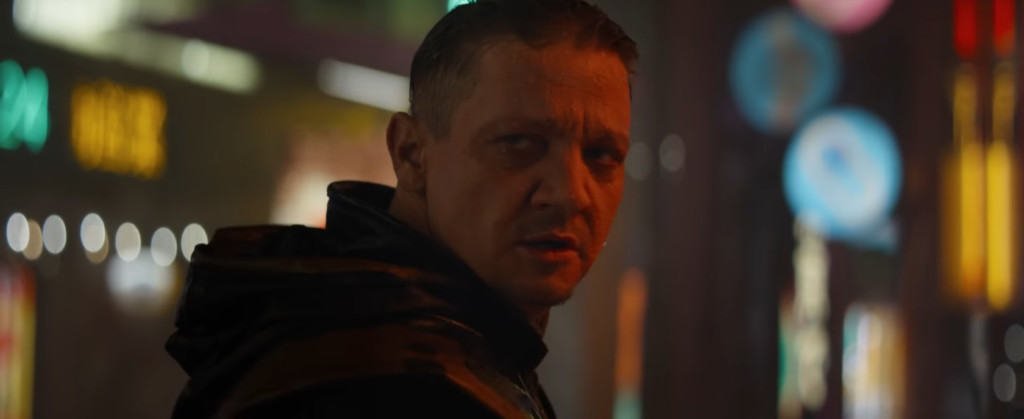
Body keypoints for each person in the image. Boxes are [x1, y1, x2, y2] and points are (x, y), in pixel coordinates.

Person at [166, 0, 637, 417]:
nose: (572, 194)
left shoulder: (349, 336)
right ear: (411, 154)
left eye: (602, 155)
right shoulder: (394, 386)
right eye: (518, 143)